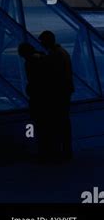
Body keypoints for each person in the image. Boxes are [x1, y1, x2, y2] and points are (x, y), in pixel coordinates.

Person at [38, 30, 74, 161]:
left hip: (59, 92)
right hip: (64, 91)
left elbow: (52, 73)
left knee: (59, 122)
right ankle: (65, 151)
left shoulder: (56, 55)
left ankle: (61, 151)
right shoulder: (61, 53)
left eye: (42, 42)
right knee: (63, 122)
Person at [18, 42, 51, 159]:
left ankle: (40, 150)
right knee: (45, 126)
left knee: (36, 124)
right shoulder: (43, 59)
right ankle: (47, 150)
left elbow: (33, 81)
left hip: (37, 99)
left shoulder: (31, 63)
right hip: (46, 98)